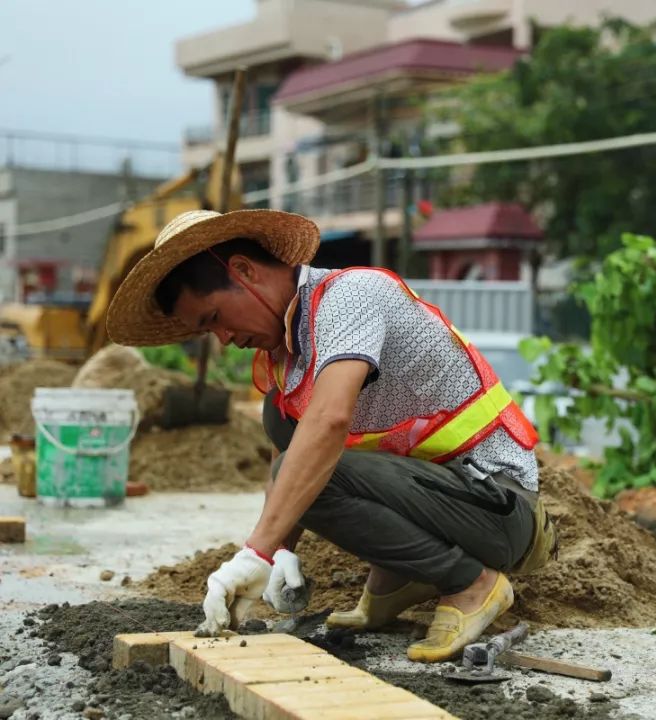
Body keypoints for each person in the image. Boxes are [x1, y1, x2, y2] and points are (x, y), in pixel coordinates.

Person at [106, 209, 557, 661]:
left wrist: (256, 553)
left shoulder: (350, 295)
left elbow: (329, 422)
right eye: (208, 331)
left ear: (244, 271)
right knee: (281, 419)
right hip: (445, 503)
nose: (223, 338)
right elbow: (293, 449)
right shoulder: (290, 357)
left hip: (500, 508)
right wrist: (279, 554)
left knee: (309, 468)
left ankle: (472, 583)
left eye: (216, 317)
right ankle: (399, 580)